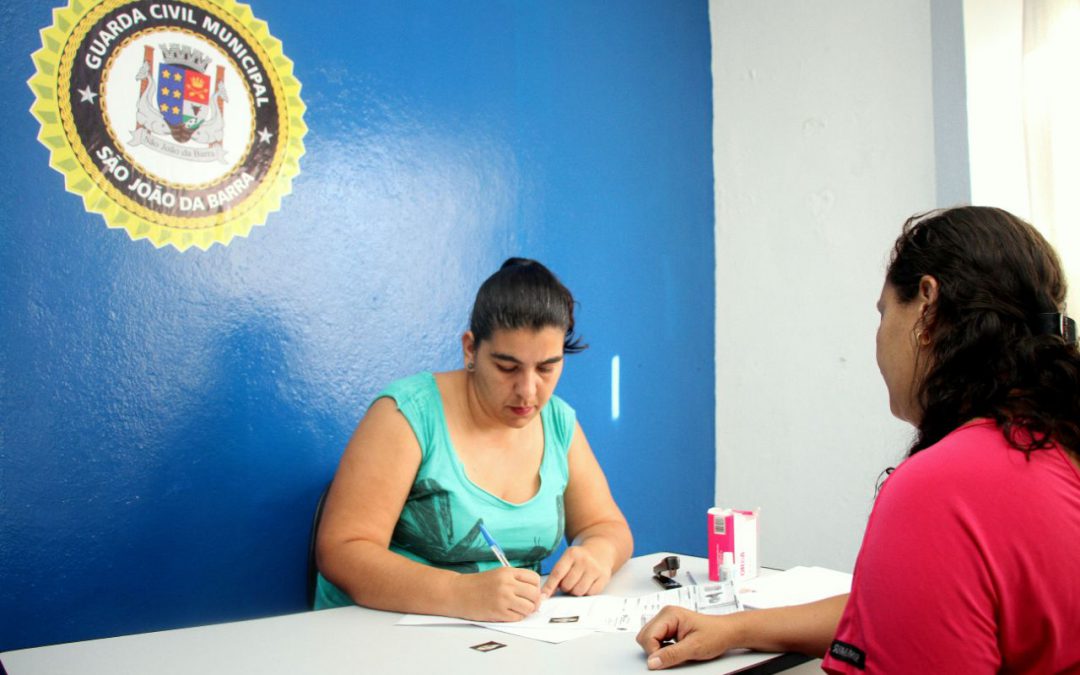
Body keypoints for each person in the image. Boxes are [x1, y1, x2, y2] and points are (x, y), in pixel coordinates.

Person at [638, 206, 1080, 672]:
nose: (878, 340)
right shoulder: (1055, 442)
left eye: (884, 312)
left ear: (927, 305)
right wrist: (736, 628)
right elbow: (908, 606)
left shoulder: (942, 488)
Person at [315, 257, 633, 622]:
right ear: (470, 349)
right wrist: (458, 592)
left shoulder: (558, 422)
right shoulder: (408, 414)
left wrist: (598, 553)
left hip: (501, 639)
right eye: (507, 367)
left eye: (547, 367)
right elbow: (341, 551)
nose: (528, 391)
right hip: (377, 638)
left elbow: (607, 526)